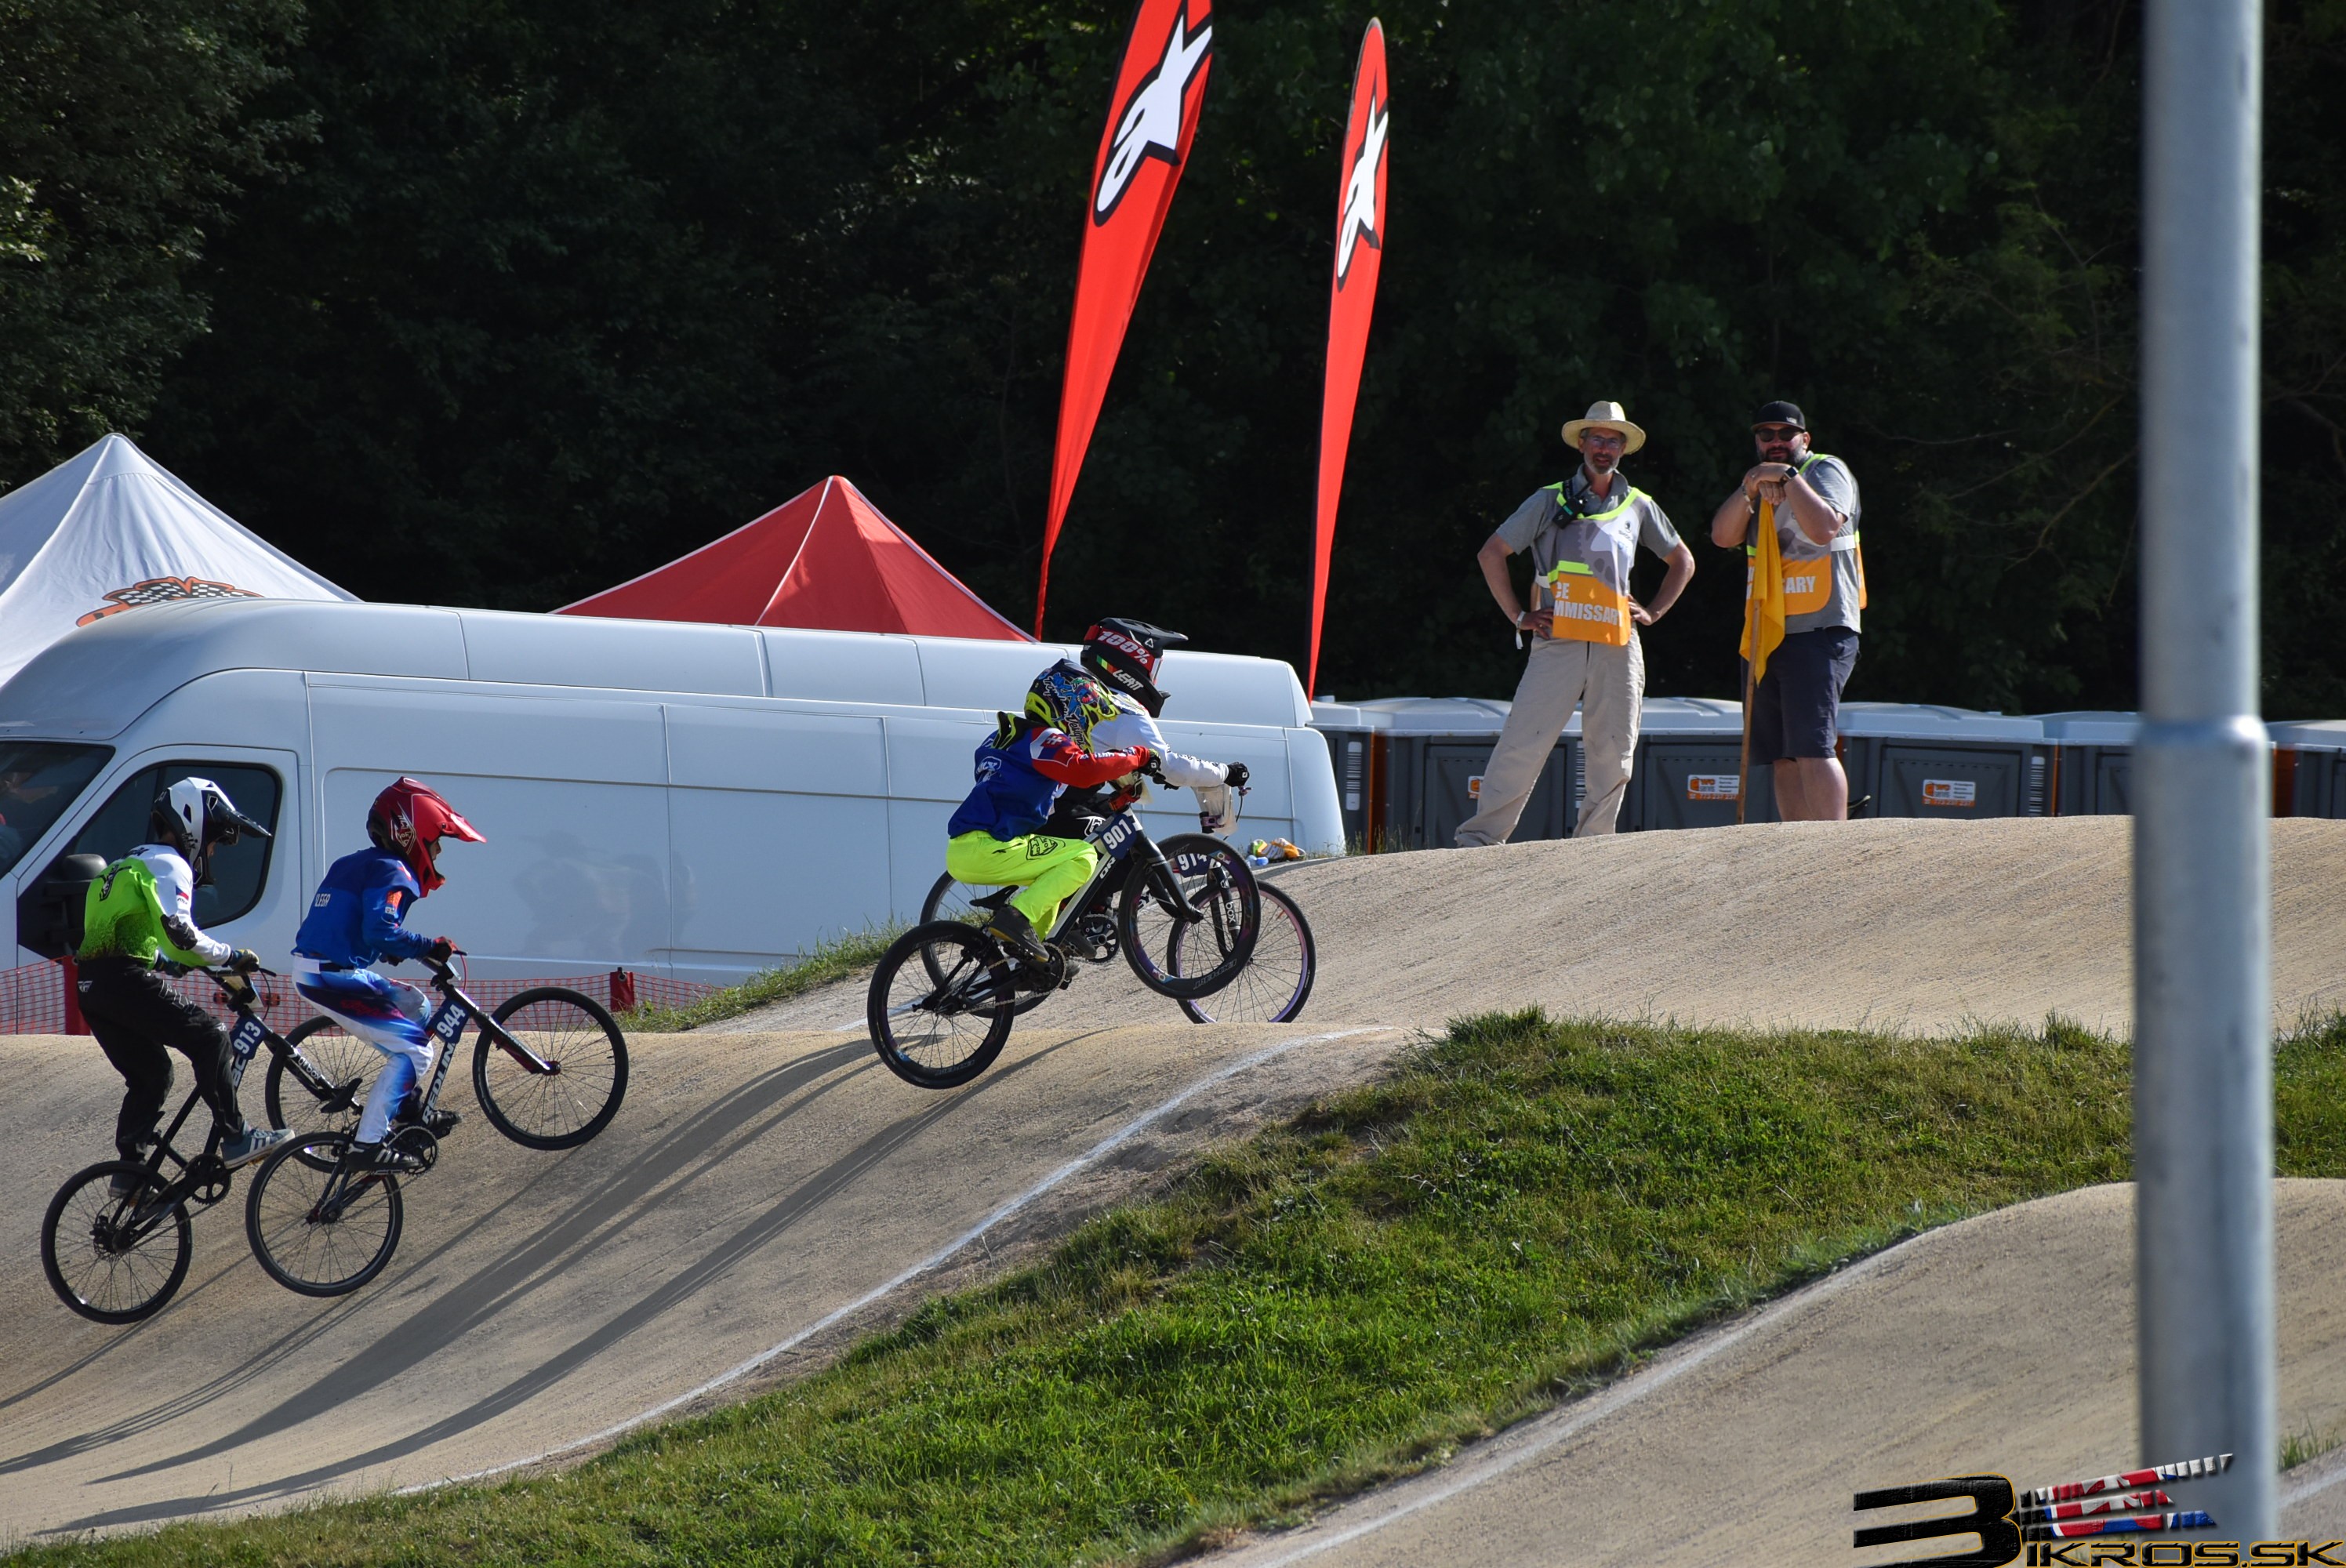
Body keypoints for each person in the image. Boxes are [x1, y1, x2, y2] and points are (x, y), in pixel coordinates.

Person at [1454, 401, 1696, 845]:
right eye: (1597, 439)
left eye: (1613, 441)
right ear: (1582, 443)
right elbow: (1491, 553)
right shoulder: (1549, 499)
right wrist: (1519, 616)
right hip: (1558, 640)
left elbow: (1683, 560)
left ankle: (1593, 847)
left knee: (1614, 749)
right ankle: (1480, 841)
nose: (1604, 448)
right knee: (1523, 742)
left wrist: (1654, 612)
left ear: (1623, 449)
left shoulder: (1639, 504)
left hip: (1617, 643)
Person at [74, 777, 292, 1190]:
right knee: (213, 1038)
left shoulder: (126, 862)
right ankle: (237, 1137)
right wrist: (232, 956)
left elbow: (123, 932)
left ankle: (130, 1175)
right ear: (196, 827)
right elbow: (183, 935)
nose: (212, 852)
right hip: (124, 980)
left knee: (152, 1075)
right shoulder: (170, 863)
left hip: (92, 986)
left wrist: (163, 961)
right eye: (214, 841)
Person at [291, 778, 484, 1172]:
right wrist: (428, 946)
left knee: (415, 1005)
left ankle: (408, 1109)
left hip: (321, 968)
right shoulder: (395, 871)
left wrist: (389, 949)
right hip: (331, 976)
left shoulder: (355, 863)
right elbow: (380, 929)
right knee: (417, 1050)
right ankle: (368, 1143)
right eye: (436, 841)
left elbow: (349, 925)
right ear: (411, 833)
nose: (438, 850)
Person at [1708, 400, 1864, 822]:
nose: (1776, 441)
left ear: (1805, 439)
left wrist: (1788, 478)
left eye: (1786, 434)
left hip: (1821, 628)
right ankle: (1795, 847)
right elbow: (1722, 537)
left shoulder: (1826, 470)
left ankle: (1831, 844)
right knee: (1781, 755)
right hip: (1766, 633)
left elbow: (1824, 528)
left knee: (1813, 747)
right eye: (1766, 435)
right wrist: (1750, 486)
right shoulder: (1758, 486)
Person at [945, 657, 1157, 966]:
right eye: (1084, 714)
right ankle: (1017, 918)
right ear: (1066, 709)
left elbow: (1035, 791)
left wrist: (1113, 801)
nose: (1086, 722)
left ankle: (1039, 954)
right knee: (1083, 857)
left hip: (962, 850)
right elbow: (1084, 770)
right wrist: (1137, 756)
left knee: (1054, 870)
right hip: (990, 847)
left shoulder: (1002, 737)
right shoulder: (1043, 738)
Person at [1066, 619, 1249, 834]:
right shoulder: (1123, 710)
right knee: (1113, 840)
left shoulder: (1071, 688)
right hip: (1057, 805)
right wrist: (1226, 772)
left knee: (1106, 814)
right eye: (1153, 668)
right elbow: (1172, 768)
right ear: (1134, 662)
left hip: (1043, 794)